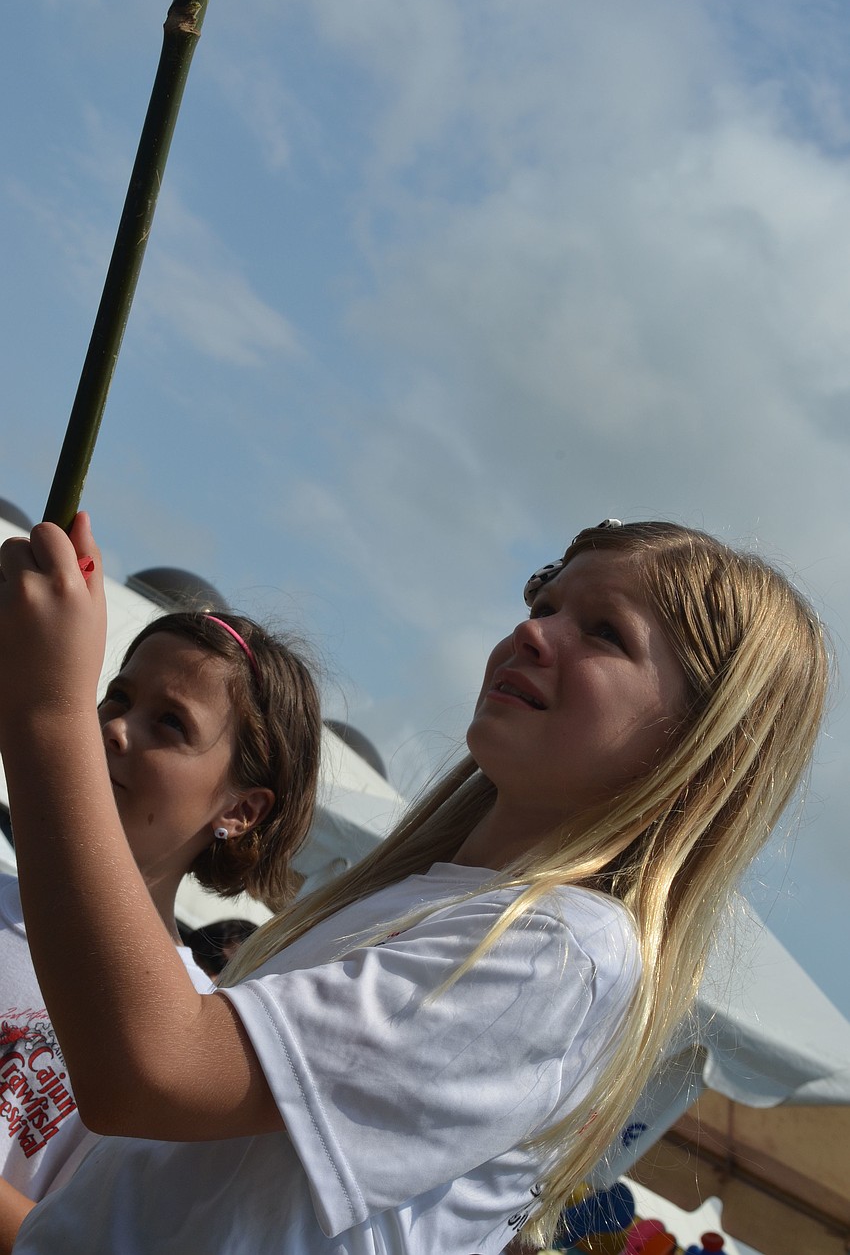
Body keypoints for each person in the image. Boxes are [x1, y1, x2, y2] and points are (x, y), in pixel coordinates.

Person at [0, 513, 828, 1254]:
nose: (533, 632)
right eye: (544, 603)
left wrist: (51, 712)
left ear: (698, 747)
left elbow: (151, 1071)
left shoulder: (565, 949)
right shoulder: (442, 901)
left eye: (605, 631)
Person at [0, 599, 322, 1251]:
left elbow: (72, 1236)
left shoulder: (188, 1037)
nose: (114, 728)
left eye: (169, 723)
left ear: (241, 809)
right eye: (117, 696)